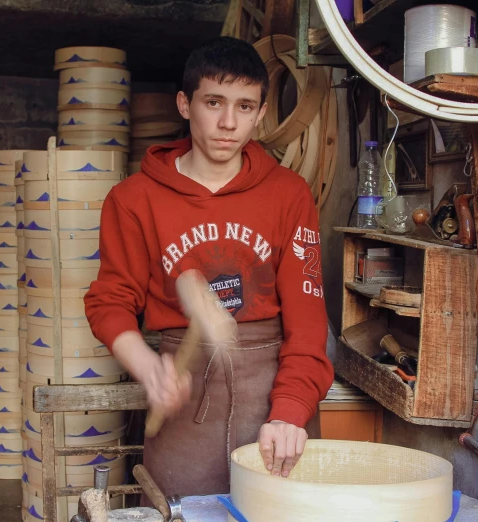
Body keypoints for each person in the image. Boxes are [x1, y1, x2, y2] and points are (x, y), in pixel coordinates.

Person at [84, 36, 333, 498]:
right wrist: (148, 367)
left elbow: (307, 319)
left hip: (272, 395)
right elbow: (110, 301)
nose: (227, 123)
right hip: (184, 402)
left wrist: (291, 409)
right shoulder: (134, 199)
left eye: (244, 107)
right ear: (185, 104)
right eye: (213, 102)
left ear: (261, 114)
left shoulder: (289, 194)